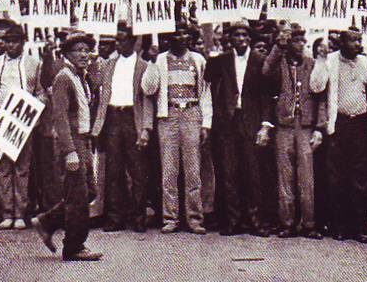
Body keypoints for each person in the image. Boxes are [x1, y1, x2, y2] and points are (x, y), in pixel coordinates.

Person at [32, 32, 102, 261]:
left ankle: (47, 221)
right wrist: (69, 151)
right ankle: (73, 246)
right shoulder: (64, 78)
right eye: (78, 50)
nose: (84, 54)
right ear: (67, 54)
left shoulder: (81, 76)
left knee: (88, 191)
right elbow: (60, 116)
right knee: (79, 196)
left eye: (86, 50)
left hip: (83, 139)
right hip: (72, 141)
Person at [142, 22, 212, 235]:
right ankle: (170, 218)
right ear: (169, 38)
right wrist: (152, 62)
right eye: (177, 34)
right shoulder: (160, 59)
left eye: (185, 34)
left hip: (191, 113)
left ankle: (194, 218)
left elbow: (205, 93)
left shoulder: (198, 60)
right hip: (168, 115)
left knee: (193, 170)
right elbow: (148, 87)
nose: (181, 37)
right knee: (169, 170)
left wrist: (206, 122)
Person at [205, 20, 272, 237]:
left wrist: (265, 125)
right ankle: (232, 221)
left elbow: (266, 96)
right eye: (236, 35)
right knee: (229, 172)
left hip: (251, 122)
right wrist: (213, 51)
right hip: (228, 122)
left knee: (254, 173)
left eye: (244, 35)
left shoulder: (260, 60)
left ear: (250, 38)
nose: (241, 39)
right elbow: (208, 79)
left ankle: (255, 221)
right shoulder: (221, 60)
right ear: (230, 39)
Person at [311, 28, 367, 242]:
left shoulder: (365, 63)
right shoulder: (329, 60)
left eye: (360, 40)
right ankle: (338, 225)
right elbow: (316, 86)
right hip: (339, 123)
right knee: (337, 177)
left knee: (360, 177)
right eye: (354, 40)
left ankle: (358, 226)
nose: (358, 44)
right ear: (343, 42)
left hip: (360, 124)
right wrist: (320, 60)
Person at [0, 22, 45, 230]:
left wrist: (35, 110)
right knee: (3, 167)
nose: (10, 46)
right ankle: (7, 211)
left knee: (22, 168)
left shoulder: (34, 64)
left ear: (23, 43)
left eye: (15, 41)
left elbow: (41, 91)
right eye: (7, 41)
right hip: (1, 119)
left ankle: (20, 213)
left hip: (23, 121)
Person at [261, 24, 325, 238]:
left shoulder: (312, 64)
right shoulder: (279, 63)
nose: (300, 45)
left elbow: (321, 96)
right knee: (285, 175)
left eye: (301, 41)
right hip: (284, 125)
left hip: (305, 125)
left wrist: (319, 127)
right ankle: (287, 223)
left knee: (306, 177)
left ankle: (309, 224)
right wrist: (278, 46)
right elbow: (265, 71)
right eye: (295, 41)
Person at [91, 21, 153, 233]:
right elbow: (94, 85)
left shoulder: (144, 66)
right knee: (114, 170)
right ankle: (114, 217)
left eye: (122, 39)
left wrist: (146, 128)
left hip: (132, 118)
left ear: (134, 41)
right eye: (116, 39)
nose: (118, 44)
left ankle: (138, 217)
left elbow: (148, 98)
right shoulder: (108, 64)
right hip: (112, 117)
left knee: (138, 171)